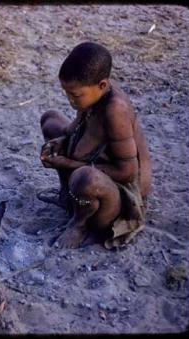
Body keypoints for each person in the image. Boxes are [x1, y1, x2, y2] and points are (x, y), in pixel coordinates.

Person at [39, 41, 152, 249]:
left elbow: (127, 171)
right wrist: (61, 141)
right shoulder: (91, 97)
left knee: (84, 178)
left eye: (75, 95)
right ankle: (68, 197)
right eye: (67, 93)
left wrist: (67, 163)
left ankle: (79, 224)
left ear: (102, 85)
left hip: (122, 196)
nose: (70, 100)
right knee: (50, 120)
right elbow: (74, 129)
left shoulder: (114, 110)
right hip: (93, 168)